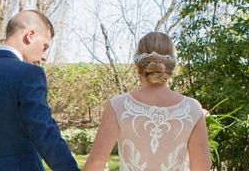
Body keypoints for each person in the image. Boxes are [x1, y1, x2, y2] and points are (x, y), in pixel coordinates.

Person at [0, 10, 79, 171]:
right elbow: (45, 134)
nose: (44, 56)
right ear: (30, 35)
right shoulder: (29, 74)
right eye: (45, 46)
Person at [84, 32, 211, 171]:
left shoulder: (117, 106)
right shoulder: (192, 109)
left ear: (138, 64)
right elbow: (202, 167)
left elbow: (95, 163)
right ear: (171, 66)